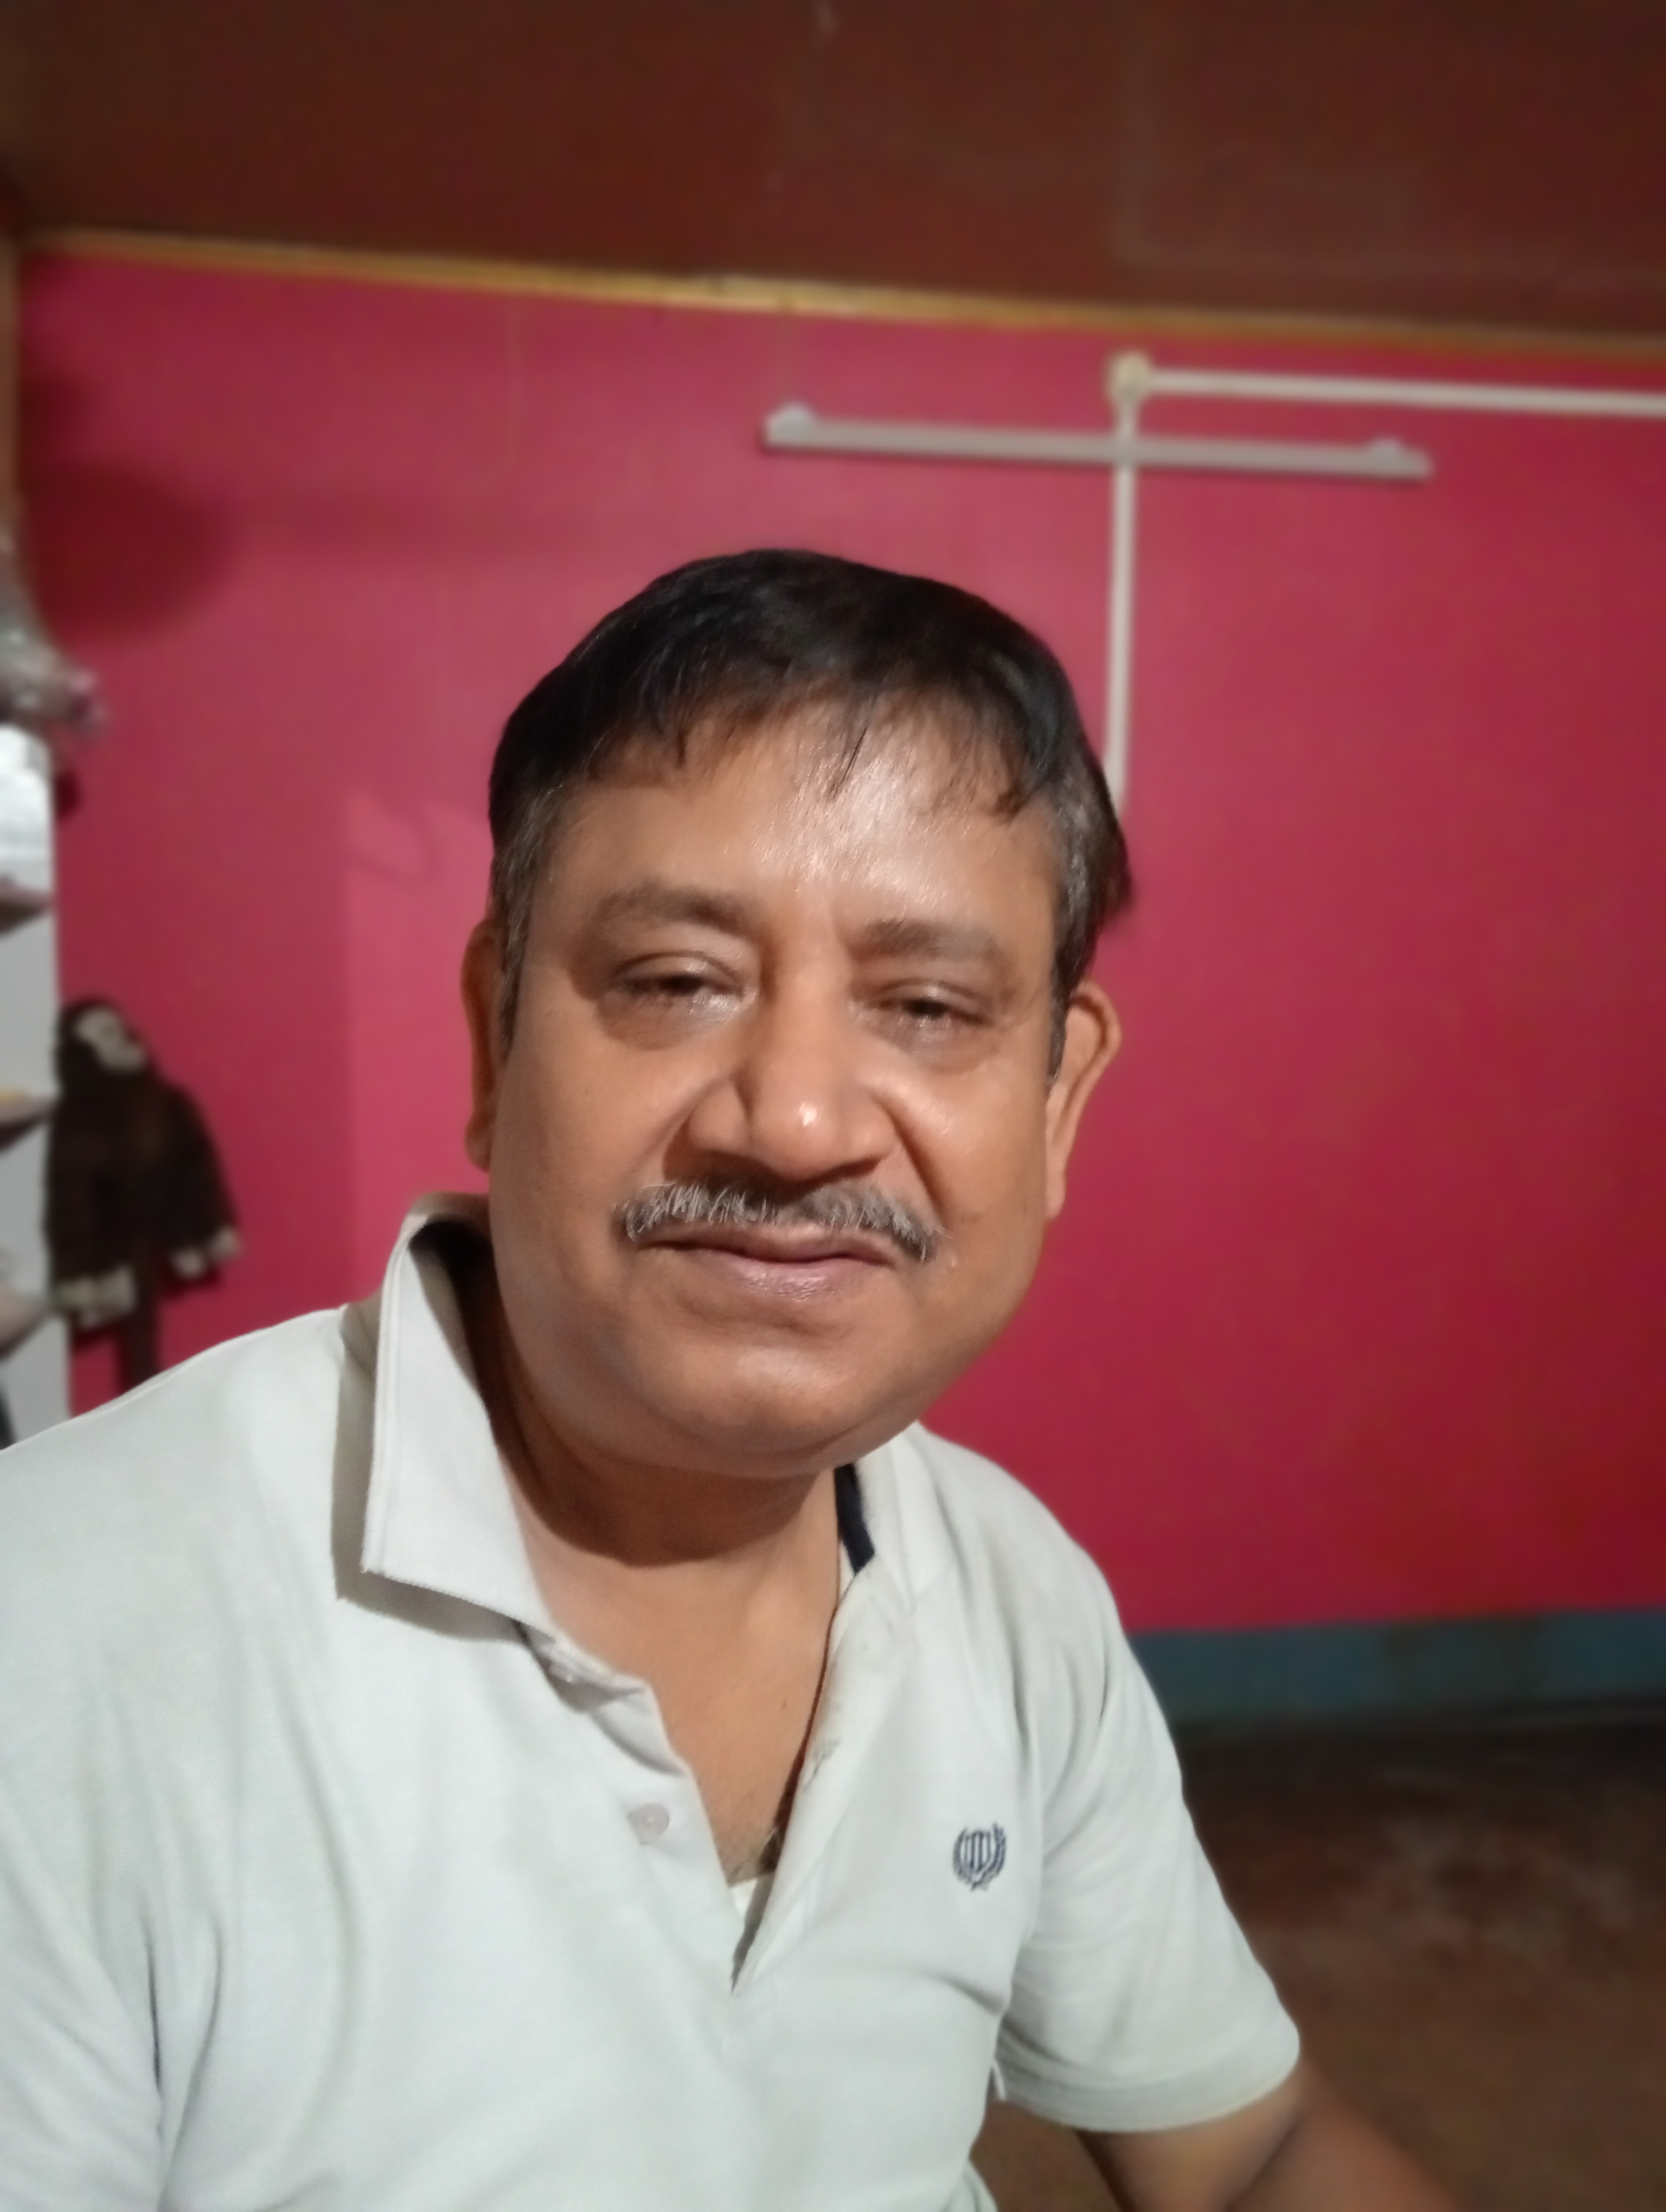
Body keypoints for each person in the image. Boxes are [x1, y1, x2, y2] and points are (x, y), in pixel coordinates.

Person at [0, 551, 1453, 2210]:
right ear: (492, 1041)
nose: (797, 1120)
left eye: (927, 1007)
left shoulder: (1007, 1588)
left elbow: (1252, 2151)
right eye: (678, 982)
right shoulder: (61, 1629)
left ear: (1057, 1105)